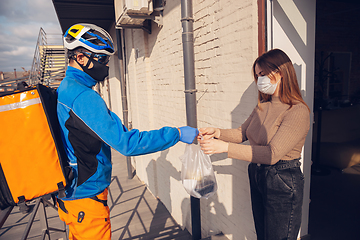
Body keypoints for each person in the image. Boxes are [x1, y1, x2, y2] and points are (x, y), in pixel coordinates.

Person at [56, 23, 198, 240]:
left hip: (73, 196)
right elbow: (127, 144)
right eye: (101, 59)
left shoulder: (65, 89)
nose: (105, 65)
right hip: (87, 198)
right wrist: (176, 133)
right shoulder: (82, 97)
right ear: (81, 58)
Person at [199, 49, 310, 240]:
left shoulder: (297, 111)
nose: (260, 80)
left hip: (282, 178)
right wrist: (217, 132)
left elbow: (272, 154)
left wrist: (224, 148)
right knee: (263, 234)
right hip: (258, 174)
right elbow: (242, 133)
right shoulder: (262, 106)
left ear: (281, 73)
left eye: (263, 74)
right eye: (257, 75)